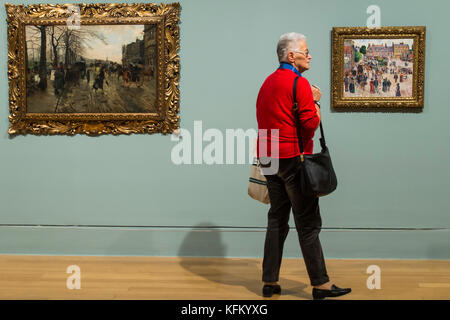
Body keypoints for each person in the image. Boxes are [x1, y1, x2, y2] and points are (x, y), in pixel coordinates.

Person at [256, 32, 351, 300]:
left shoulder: (266, 83)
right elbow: (310, 125)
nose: (309, 56)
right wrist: (316, 100)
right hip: (293, 160)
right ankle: (321, 285)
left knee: (277, 219)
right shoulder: (299, 84)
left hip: (268, 158)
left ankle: (269, 281)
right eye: (305, 51)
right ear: (290, 55)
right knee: (308, 223)